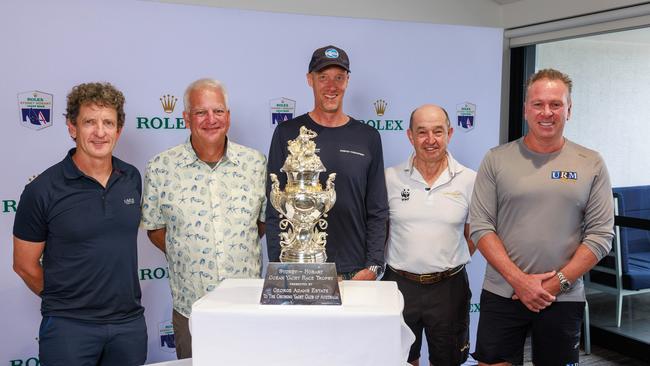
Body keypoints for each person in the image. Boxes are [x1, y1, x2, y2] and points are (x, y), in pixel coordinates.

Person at [470, 68, 614, 366]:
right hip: (503, 293)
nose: (546, 112)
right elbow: (481, 226)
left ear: (569, 110)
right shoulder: (496, 159)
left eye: (556, 104)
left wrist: (553, 285)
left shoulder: (592, 163)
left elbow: (601, 235)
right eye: (538, 104)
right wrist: (519, 281)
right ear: (526, 109)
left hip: (562, 297)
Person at [13, 82, 147, 365]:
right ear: (72, 127)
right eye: (89, 122)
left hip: (128, 326)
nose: (100, 132)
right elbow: (24, 265)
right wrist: (67, 302)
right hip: (69, 329)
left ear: (118, 131)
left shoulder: (131, 178)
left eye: (108, 123)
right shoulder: (42, 190)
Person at [141, 78, 267, 359]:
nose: (211, 119)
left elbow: (260, 224)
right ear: (187, 118)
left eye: (218, 111)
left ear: (229, 117)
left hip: (247, 306)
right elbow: (155, 228)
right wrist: (189, 249)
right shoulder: (161, 167)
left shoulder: (256, 164)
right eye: (201, 112)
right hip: (191, 310)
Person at [266, 45, 388, 280]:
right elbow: (275, 207)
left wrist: (372, 267)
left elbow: (377, 209)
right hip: (299, 269)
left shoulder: (369, 137)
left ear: (347, 81)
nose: (332, 86)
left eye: (339, 78)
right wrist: (280, 267)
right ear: (310, 80)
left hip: (355, 272)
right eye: (323, 78)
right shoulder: (288, 134)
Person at [383, 104, 475, 366]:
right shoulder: (390, 178)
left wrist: (447, 258)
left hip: (449, 288)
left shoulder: (469, 180)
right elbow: (383, 229)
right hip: (399, 286)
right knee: (401, 359)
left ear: (450, 133)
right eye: (422, 132)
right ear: (410, 136)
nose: (430, 140)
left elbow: (475, 234)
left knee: (447, 360)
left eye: (438, 131)